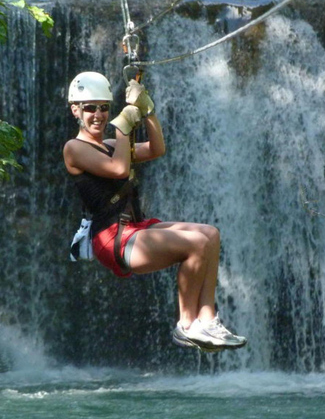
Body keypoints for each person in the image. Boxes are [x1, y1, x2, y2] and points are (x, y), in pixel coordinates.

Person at [62, 71, 246, 352]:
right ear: (76, 109)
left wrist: (148, 110)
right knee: (196, 245)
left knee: (210, 234)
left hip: (133, 227)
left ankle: (207, 319)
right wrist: (124, 125)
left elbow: (157, 149)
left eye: (103, 107)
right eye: (90, 108)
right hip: (112, 239)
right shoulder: (74, 148)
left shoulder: (110, 145)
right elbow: (119, 169)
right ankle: (186, 325)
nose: (98, 114)